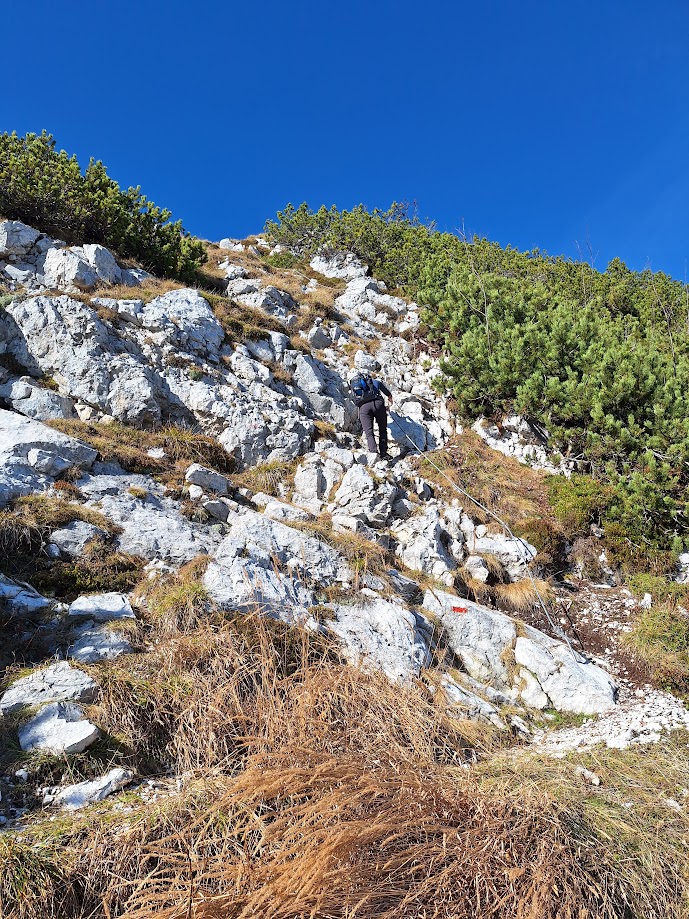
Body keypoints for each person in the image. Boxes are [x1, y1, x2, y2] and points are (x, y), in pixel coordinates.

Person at [349, 369, 393, 458]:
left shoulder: (356, 386)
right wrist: (389, 402)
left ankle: (374, 454)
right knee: (382, 430)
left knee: (369, 433)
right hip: (378, 405)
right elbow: (388, 394)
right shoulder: (376, 382)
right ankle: (384, 453)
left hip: (364, 408)